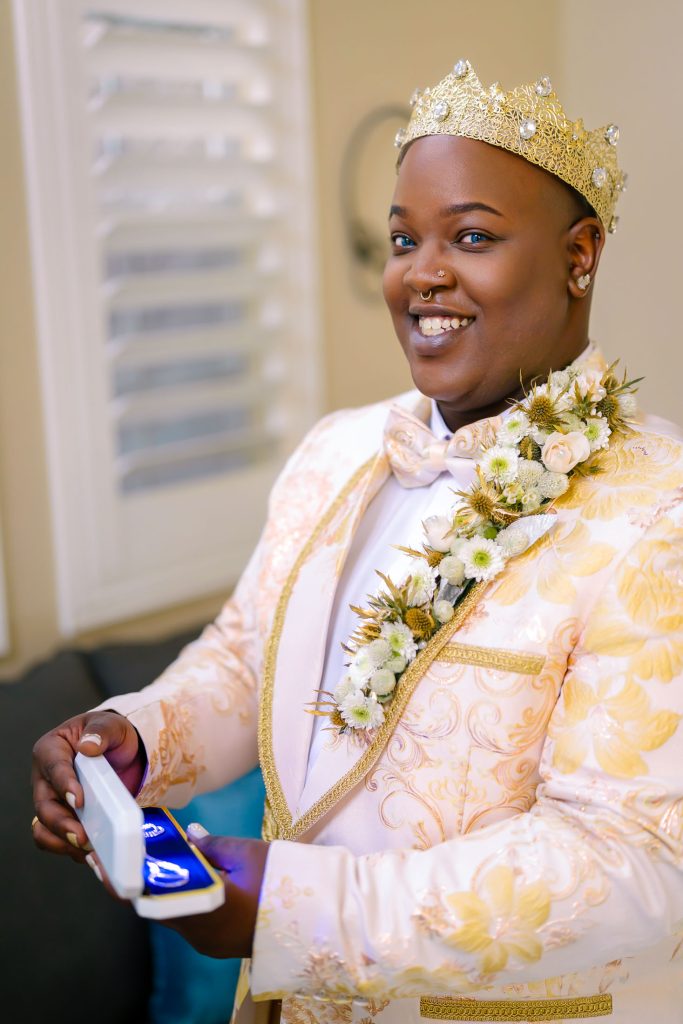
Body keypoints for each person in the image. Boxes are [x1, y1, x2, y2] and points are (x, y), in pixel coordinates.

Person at [32, 61, 683, 1023]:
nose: (423, 272)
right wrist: (133, 741)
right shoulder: (335, 451)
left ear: (579, 256)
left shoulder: (658, 513)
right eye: (402, 238)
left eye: (471, 236)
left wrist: (292, 906)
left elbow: (634, 863)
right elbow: (243, 660)